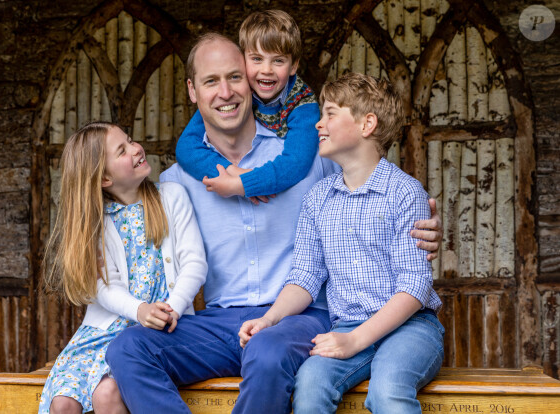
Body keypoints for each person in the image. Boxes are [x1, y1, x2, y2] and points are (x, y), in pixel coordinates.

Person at [106, 34, 442, 414]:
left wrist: (427, 225)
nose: (226, 92)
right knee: (128, 348)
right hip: (221, 324)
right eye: (211, 81)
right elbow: (120, 217)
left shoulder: (307, 158)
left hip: (301, 318)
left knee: (267, 352)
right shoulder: (174, 183)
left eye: (235, 77)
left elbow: (371, 187)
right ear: (192, 91)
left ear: (251, 82)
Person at [239, 73, 445, 414]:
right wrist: (269, 319)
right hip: (347, 325)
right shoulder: (317, 199)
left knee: (388, 390)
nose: (319, 123)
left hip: (411, 328)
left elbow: (415, 284)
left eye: (330, 113)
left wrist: (355, 340)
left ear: (367, 124)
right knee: (309, 386)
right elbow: (305, 276)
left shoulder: (405, 192)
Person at [38, 122, 207, 414]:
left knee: (107, 394)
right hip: (102, 333)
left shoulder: (172, 197)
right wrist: (139, 310)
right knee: (62, 403)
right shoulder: (96, 222)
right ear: (104, 178)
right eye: (123, 150)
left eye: (130, 140)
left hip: (162, 328)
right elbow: (103, 287)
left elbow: (195, 263)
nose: (136, 148)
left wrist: (173, 308)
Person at [175, 10, 318, 201]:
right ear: (243, 60)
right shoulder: (239, 92)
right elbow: (186, 147)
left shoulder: (303, 103)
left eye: (278, 61)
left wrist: (245, 184)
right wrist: (231, 171)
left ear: (293, 66)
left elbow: (297, 162)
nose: (266, 70)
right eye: (257, 59)